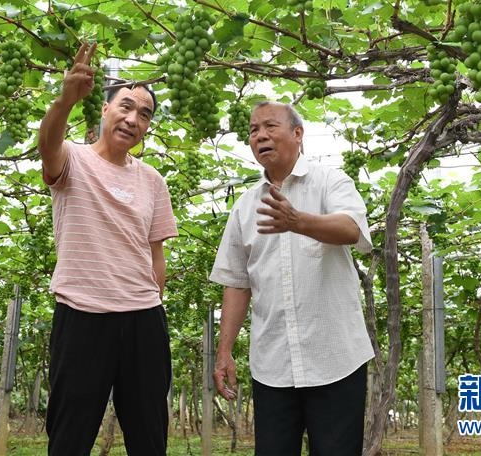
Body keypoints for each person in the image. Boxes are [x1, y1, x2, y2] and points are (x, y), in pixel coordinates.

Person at [209, 101, 374, 456]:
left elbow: (352, 229)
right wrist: (224, 352)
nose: (260, 135)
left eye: (270, 126)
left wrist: (299, 222)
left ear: (298, 134)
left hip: (335, 360)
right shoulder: (244, 206)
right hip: (273, 366)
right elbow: (237, 282)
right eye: (253, 130)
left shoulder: (330, 181)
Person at [37, 41, 178, 456]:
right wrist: (65, 100)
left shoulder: (152, 180)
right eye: (126, 107)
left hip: (143, 319)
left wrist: (151, 301)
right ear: (104, 109)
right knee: (69, 436)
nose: (134, 119)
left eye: (145, 114)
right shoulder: (72, 160)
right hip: (82, 316)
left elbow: (156, 254)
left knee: (149, 434)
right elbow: (47, 145)